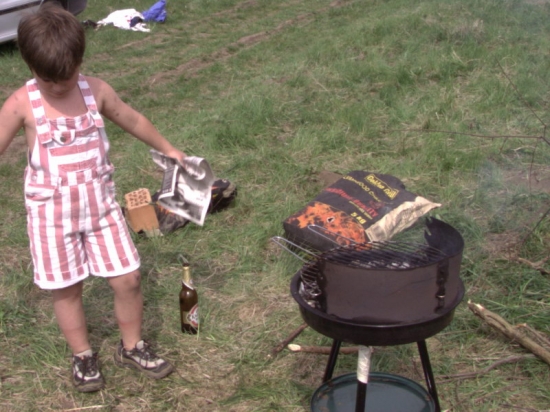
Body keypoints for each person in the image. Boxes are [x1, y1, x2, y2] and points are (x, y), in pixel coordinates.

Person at [0, 3, 185, 392]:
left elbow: (132, 119)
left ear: (80, 60)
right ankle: (83, 354)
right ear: (31, 68)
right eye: (49, 79)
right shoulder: (22, 103)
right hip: (51, 216)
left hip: (101, 209)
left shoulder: (96, 91)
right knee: (66, 289)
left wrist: (170, 150)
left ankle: (132, 346)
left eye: (66, 77)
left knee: (129, 278)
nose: (58, 86)